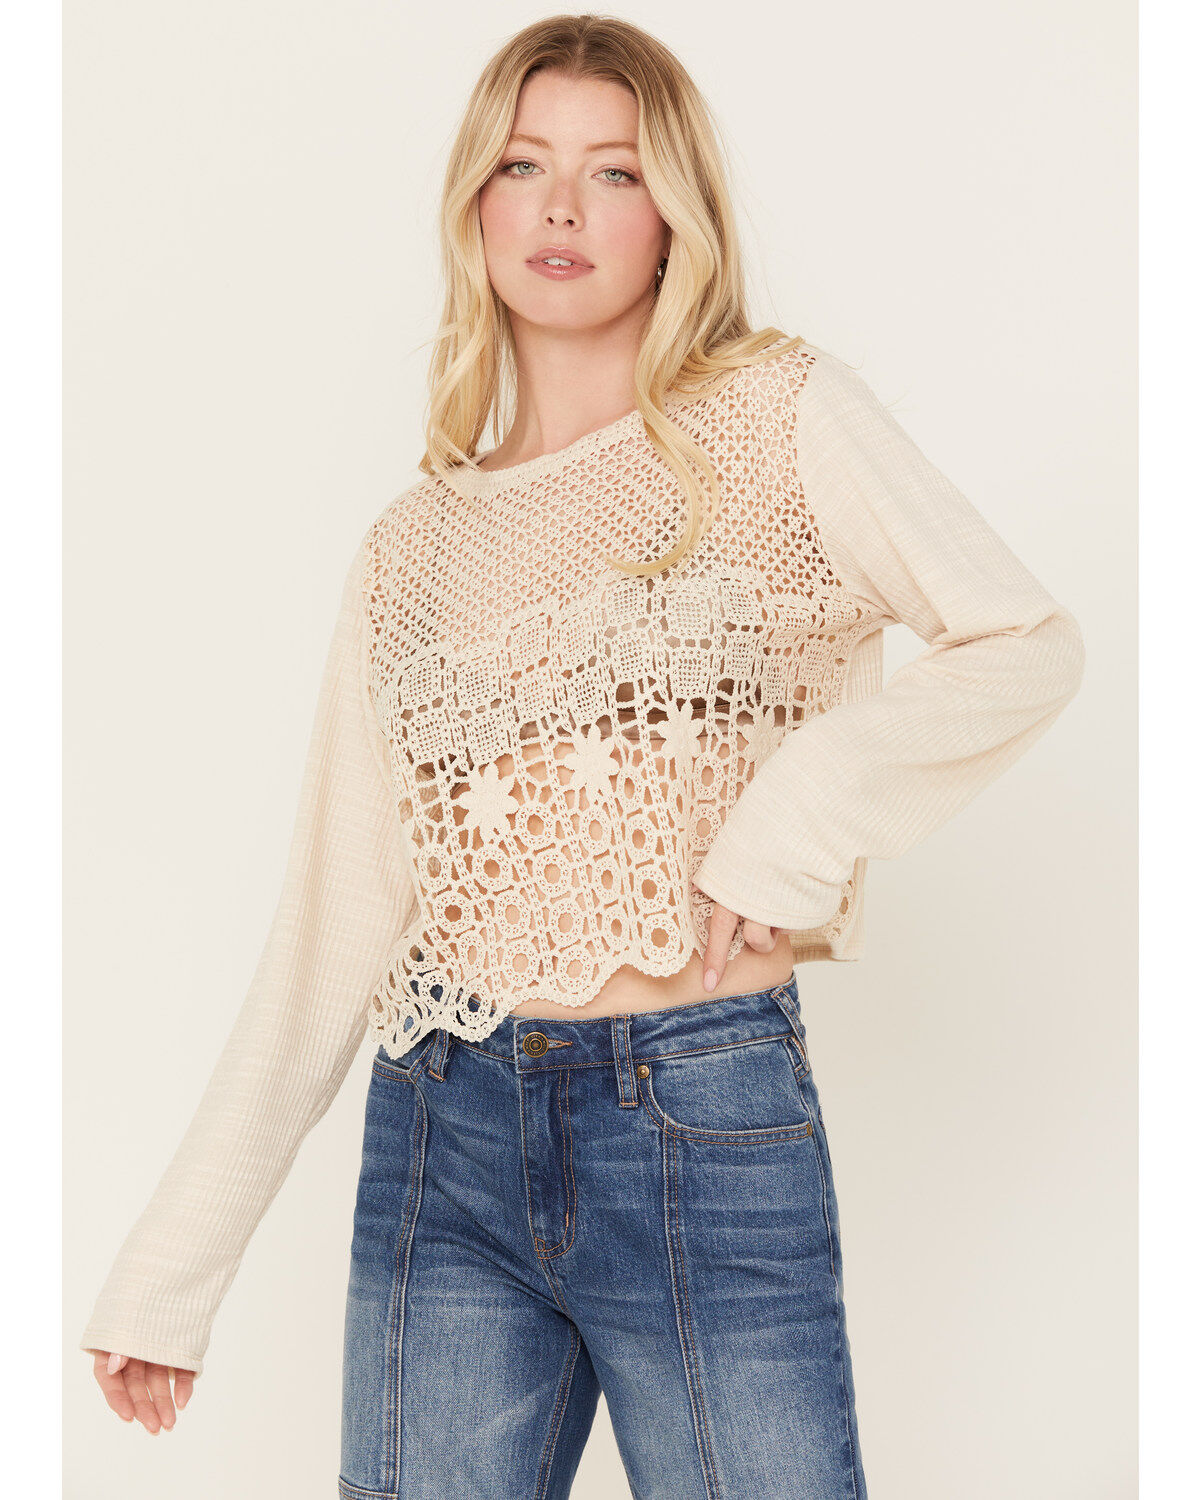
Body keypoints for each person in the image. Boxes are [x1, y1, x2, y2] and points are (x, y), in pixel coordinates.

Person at [81, 14, 1085, 1497]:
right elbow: (335, 923)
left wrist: (792, 824)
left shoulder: (777, 418)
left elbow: (1023, 642)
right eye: (523, 165)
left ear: (676, 216)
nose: (561, 207)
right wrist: (173, 1265)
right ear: (474, 204)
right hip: (442, 1131)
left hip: (697, 1111)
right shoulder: (412, 548)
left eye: (614, 171)